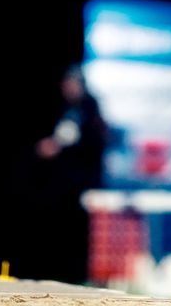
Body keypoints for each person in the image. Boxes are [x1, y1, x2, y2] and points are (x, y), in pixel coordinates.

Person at [28, 66, 108, 283]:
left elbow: (92, 145)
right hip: (62, 185)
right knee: (59, 231)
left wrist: (61, 148)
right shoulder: (66, 109)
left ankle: (78, 276)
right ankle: (59, 273)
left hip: (82, 184)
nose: (67, 88)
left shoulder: (90, 111)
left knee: (80, 234)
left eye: (71, 84)